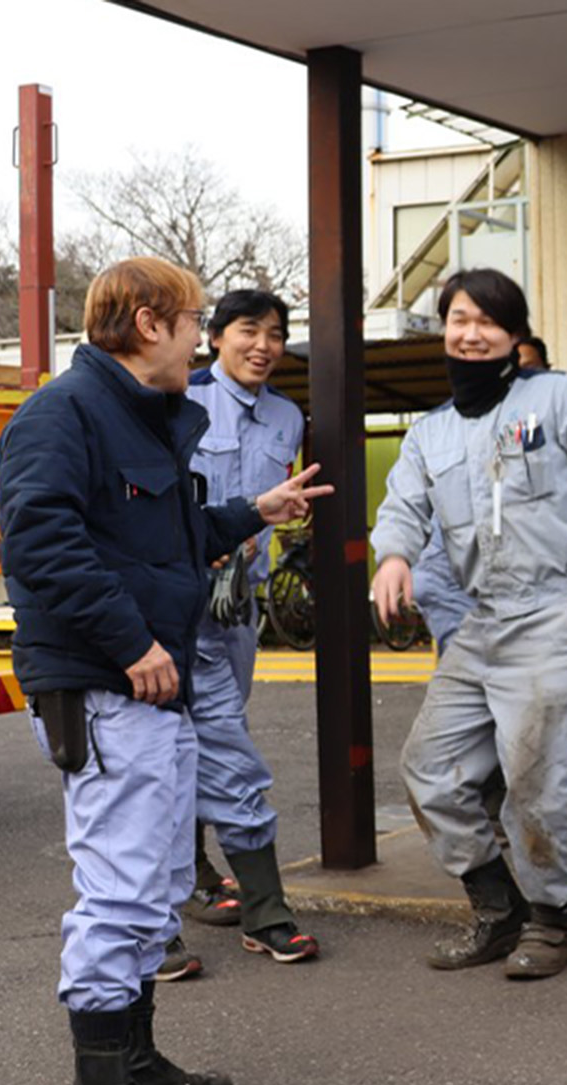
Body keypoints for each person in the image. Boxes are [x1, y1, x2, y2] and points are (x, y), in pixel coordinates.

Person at [0, 257, 331, 1085]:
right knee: (119, 893)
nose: (203, 338)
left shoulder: (137, 416)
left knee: (147, 893)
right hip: (109, 688)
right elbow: (41, 543)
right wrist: (132, 642)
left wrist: (251, 513)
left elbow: (165, 538)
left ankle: (134, 1064)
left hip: (154, 686)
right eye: (193, 322)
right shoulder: (61, 415)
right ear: (149, 324)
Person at [371, 267, 567, 980]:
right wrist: (393, 557)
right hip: (483, 623)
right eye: (458, 318)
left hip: (563, 611)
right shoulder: (429, 433)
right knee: (429, 770)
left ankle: (554, 923)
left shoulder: (556, 397)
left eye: (486, 321)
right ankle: (497, 910)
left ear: (513, 334)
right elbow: (403, 508)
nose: (470, 332)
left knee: (536, 779)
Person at [161, 290, 318, 973]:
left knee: (201, 746)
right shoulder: (181, 402)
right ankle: (265, 910)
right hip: (177, 609)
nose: (264, 345)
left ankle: (196, 881)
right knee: (210, 744)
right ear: (215, 338)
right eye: (249, 331)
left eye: (276, 334)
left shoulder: (287, 415)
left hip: (238, 611)